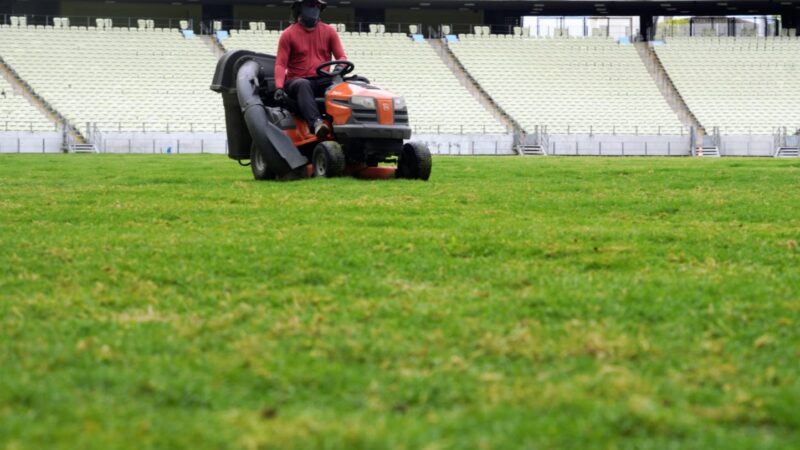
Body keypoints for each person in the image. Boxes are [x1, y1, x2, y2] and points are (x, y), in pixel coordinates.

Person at [273, 0, 347, 140]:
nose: (313, 9)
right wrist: (279, 86)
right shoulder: (288, 34)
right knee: (303, 84)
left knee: (352, 83)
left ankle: (346, 125)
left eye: (316, 6)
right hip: (296, 81)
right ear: (300, 8)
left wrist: (339, 67)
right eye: (310, 5)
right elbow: (281, 64)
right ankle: (316, 124)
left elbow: (341, 56)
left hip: (322, 78)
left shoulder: (329, 31)